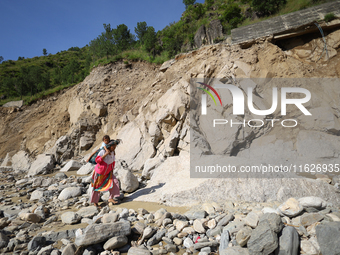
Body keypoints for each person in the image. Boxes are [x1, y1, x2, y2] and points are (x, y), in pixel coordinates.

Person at [90, 139, 121, 208]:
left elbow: (113, 162)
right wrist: (105, 154)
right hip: (100, 173)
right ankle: (95, 203)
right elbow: (97, 160)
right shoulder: (102, 151)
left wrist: (112, 170)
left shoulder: (113, 152)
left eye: (115, 146)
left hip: (108, 172)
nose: (115, 148)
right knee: (97, 188)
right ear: (110, 146)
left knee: (115, 182)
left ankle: (111, 198)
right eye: (113, 146)